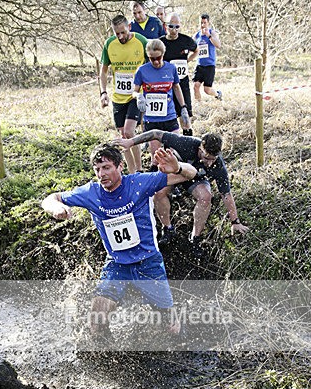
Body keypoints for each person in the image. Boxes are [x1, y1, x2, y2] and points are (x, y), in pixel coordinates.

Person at [41, 143, 197, 335]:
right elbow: (50, 198)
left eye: (106, 168)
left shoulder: (139, 183)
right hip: (117, 264)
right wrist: (56, 208)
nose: (101, 174)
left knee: (172, 328)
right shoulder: (91, 192)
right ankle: (108, 359)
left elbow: (191, 173)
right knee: (97, 322)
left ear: (120, 166)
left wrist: (178, 167)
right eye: (97, 169)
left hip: (148, 262)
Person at [113, 130, 248, 256]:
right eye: (206, 158)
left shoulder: (218, 165)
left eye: (213, 159)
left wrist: (235, 221)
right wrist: (131, 142)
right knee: (159, 193)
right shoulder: (186, 143)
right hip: (174, 171)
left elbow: (226, 194)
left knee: (206, 197)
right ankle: (167, 228)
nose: (209, 163)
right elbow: (155, 133)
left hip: (196, 178)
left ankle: (195, 238)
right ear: (200, 148)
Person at [99, 14, 148, 174]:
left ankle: (140, 170)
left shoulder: (141, 41)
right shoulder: (109, 44)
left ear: (130, 28)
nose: (120, 36)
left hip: (136, 94)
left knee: (129, 131)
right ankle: (132, 171)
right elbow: (104, 71)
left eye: (123, 32)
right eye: (116, 33)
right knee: (122, 135)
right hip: (118, 96)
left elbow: (153, 62)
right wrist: (103, 92)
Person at [133, 39, 191, 164]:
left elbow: (176, 87)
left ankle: (176, 180)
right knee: (156, 156)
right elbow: (134, 91)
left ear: (163, 55)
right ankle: (157, 181)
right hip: (152, 119)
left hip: (169, 116)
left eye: (158, 58)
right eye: (151, 59)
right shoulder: (142, 70)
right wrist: (138, 96)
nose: (156, 61)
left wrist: (183, 107)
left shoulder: (171, 68)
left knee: (174, 151)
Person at [162, 13, 199, 130]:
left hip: (183, 84)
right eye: (171, 26)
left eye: (177, 27)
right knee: (169, 117)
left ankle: (188, 143)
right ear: (165, 26)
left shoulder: (186, 40)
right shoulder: (160, 43)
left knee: (185, 116)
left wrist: (187, 60)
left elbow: (196, 50)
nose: (174, 30)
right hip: (166, 84)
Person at [193, 13, 222, 101]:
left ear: (208, 23)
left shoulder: (212, 33)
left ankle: (217, 94)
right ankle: (199, 105)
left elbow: (218, 45)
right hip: (200, 65)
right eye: (201, 23)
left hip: (209, 65)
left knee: (207, 90)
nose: (202, 25)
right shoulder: (196, 35)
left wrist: (208, 36)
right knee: (195, 86)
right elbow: (191, 47)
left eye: (204, 23)